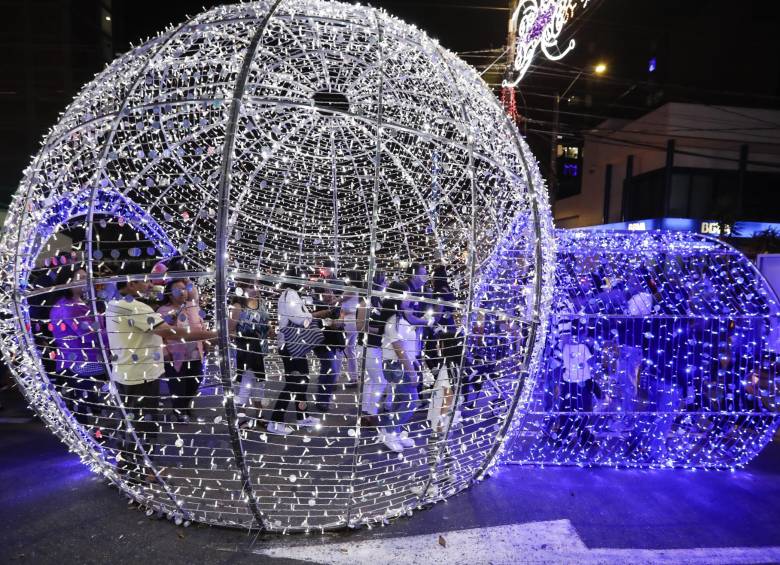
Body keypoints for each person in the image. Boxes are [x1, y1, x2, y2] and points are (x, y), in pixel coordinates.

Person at [106, 275, 216, 480]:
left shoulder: (113, 303)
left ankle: (126, 465)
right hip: (142, 377)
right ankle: (141, 472)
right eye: (146, 281)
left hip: (124, 374)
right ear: (131, 284)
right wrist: (212, 334)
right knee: (145, 425)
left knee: (130, 423)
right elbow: (170, 333)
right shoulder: (135, 307)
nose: (151, 285)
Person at [49, 263, 108, 429]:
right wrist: (113, 333)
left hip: (72, 361)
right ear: (68, 282)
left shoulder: (70, 303)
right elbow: (90, 336)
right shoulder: (71, 307)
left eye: (86, 277)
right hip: (84, 363)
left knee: (83, 405)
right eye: (81, 278)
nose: (86, 281)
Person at [269, 267, 323, 435]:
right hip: (291, 346)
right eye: (302, 279)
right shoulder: (291, 294)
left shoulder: (289, 294)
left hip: (293, 345)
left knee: (302, 380)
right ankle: (275, 422)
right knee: (294, 382)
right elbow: (298, 318)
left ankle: (302, 416)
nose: (305, 282)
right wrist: (311, 317)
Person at [157, 279, 206, 423]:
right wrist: (165, 354)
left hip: (195, 354)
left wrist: (205, 343)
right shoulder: (162, 311)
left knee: (195, 382)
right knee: (177, 387)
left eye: (184, 289)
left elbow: (200, 326)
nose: (183, 292)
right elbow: (160, 336)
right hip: (175, 356)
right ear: (169, 293)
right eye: (178, 289)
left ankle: (185, 406)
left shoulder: (192, 307)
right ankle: (179, 412)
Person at [379, 281, 420, 453]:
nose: (409, 298)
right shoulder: (394, 321)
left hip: (399, 365)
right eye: (406, 294)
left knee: (400, 401)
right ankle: (389, 432)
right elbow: (399, 349)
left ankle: (393, 431)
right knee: (411, 402)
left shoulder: (398, 318)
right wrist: (412, 372)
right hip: (397, 366)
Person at [229, 287, 270, 422]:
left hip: (261, 351)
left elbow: (265, 323)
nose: (255, 288)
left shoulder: (261, 302)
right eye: (251, 285)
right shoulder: (237, 306)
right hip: (246, 352)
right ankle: (242, 419)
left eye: (256, 284)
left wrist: (268, 330)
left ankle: (259, 416)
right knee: (246, 385)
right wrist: (245, 337)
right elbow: (230, 331)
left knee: (259, 384)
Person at [355, 270, 388, 428]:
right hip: (367, 347)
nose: (386, 284)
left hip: (375, 346)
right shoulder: (365, 302)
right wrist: (380, 330)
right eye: (384, 281)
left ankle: (365, 413)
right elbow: (360, 326)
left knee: (371, 381)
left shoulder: (379, 301)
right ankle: (371, 413)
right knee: (380, 381)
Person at [312, 281, 346, 414]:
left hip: (334, 343)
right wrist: (333, 318)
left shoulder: (336, 305)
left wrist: (339, 318)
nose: (330, 294)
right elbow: (332, 324)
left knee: (328, 370)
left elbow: (338, 323)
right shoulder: (317, 305)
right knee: (331, 371)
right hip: (322, 344)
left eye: (331, 291)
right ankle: (323, 400)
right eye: (326, 292)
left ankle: (323, 398)